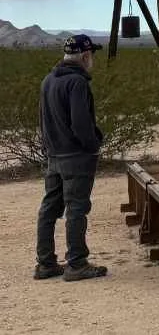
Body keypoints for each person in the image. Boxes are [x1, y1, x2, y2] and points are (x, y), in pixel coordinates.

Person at [34, 33, 108, 281]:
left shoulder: (47, 80)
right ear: (85, 55)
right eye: (92, 55)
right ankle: (77, 264)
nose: (92, 60)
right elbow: (81, 123)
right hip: (76, 157)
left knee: (49, 209)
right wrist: (93, 144)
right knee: (76, 209)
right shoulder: (77, 83)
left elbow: (43, 120)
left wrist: (48, 147)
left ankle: (45, 264)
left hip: (54, 155)